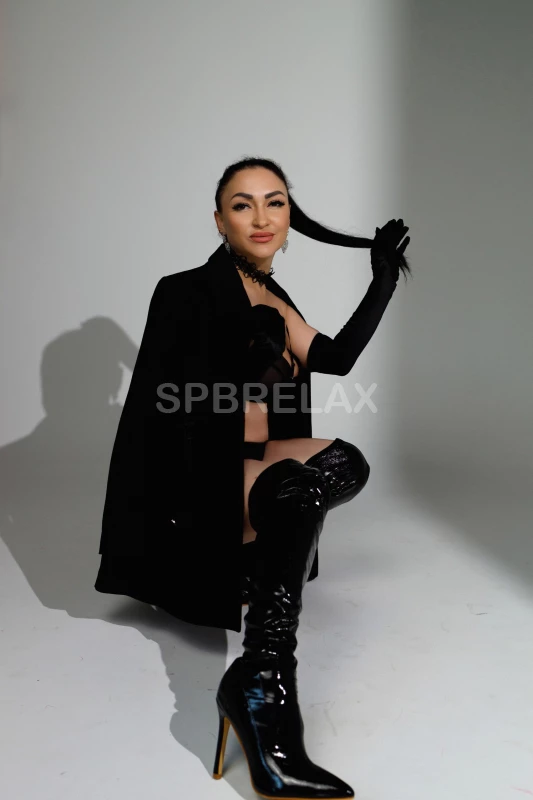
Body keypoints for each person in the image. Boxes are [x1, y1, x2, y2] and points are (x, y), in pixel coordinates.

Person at [95, 156, 411, 799]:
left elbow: (337, 359)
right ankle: (262, 682)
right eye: (243, 204)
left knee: (343, 462)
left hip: (256, 469)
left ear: (290, 218)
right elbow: (165, 409)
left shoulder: (278, 301)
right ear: (220, 220)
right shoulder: (184, 290)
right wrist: (244, 365)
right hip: (199, 481)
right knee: (298, 489)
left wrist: (382, 280)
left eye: (275, 202)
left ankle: (256, 630)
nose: (261, 217)